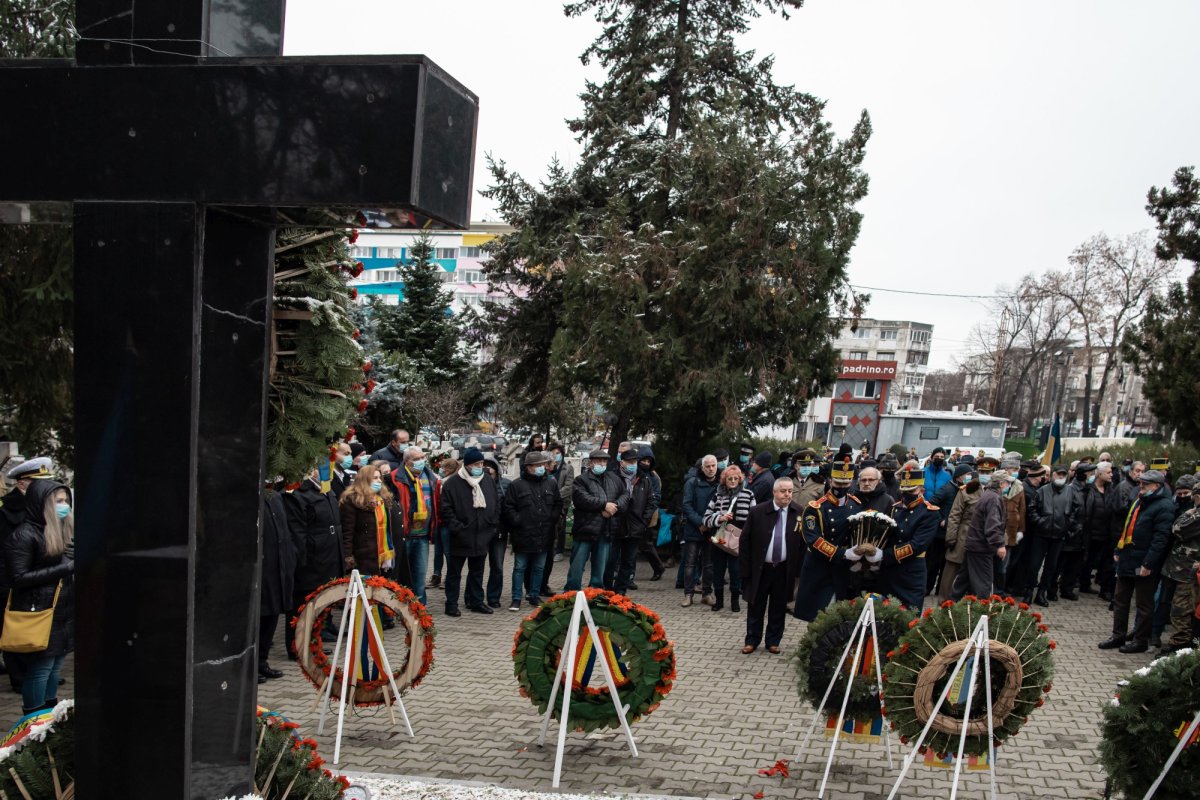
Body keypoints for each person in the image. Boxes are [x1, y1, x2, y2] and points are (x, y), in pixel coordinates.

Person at [5, 478, 74, 716]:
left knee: (55, 667)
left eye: (66, 501)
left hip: (60, 611)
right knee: (41, 668)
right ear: (41, 504)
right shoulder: (24, 535)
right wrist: (64, 568)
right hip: (38, 611)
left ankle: (50, 715)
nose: (63, 506)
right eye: (58, 501)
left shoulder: (59, 531)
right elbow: (18, 577)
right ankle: (33, 718)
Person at [1100, 469, 1175, 653]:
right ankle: (1118, 636)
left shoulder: (1164, 506)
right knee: (1120, 599)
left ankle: (1140, 640)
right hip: (1128, 557)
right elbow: (1128, 527)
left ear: (1157, 486)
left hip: (1144, 563)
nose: (1140, 486)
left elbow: (1161, 539)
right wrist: (1119, 549)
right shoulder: (1140, 500)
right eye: (1140, 483)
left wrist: (1148, 564)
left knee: (1143, 604)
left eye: (1145, 484)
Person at [0, 457, 54, 694]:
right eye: (37, 483)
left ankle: (35, 675)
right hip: (9, 578)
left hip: (35, 575)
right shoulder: (5, 509)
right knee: (14, 626)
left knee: (34, 625)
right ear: (22, 484)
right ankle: (20, 678)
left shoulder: (42, 507)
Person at [285, 465, 345, 655]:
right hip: (311, 560)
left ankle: (313, 642)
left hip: (329, 557)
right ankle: (297, 647)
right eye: (323, 467)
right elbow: (298, 532)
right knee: (302, 606)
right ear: (313, 470)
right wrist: (301, 560)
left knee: (321, 605)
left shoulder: (327, 490)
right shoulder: (300, 493)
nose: (328, 470)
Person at [794, 456, 862, 621]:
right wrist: (843, 554)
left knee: (839, 615)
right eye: (838, 483)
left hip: (843, 569)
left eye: (846, 484)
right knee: (817, 616)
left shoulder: (855, 504)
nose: (842, 487)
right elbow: (813, 540)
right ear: (830, 482)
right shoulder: (815, 508)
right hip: (820, 567)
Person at [739, 478, 803, 654]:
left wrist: (798, 570)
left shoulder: (799, 512)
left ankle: (773, 641)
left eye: (790, 491)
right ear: (774, 492)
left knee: (778, 607)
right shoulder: (757, 511)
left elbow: (803, 544)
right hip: (761, 568)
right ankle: (752, 640)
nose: (787, 494)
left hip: (783, 569)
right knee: (755, 606)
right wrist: (745, 569)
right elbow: (744, 541)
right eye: (783, 491)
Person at [440, 448, 501, 616]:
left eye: (481, 463)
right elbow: (446, 509)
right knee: (454, 573)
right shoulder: (452, 483)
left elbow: (496, 504)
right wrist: (457, 527)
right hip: (460, 535)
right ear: (466, 465)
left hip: (482, 534)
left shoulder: (487, 480)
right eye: (476, 464)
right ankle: (451, 604)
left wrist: (492, 526)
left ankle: (476, 601)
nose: (479, 467)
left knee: (477, 572)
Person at [502, 450, 561, 611]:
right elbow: (508, 507)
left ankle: (534, 595)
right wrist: (518, 521)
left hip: (544, 533)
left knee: (539, 567)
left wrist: (552, 518)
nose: (541, 468)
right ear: (528, 467)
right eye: (537, 465)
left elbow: (557, 503)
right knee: (520, 567)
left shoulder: (551, 483)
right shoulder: (517, 485)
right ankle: (516, 598)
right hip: (523, 534)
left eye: (542, 464)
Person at [565, 449, 628, 592]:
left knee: (600, 568)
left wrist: (614, 507)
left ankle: (595, 594)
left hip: (606, 530)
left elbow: (625, 495)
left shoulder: (614, 478)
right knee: (577, 566)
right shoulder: (581, 479)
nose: (602, 463)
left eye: (604, 461)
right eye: (599, 461)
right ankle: (571, 593)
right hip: (585, 529)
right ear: (591, 462)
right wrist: (603, 506)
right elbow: (582, 499)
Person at [260, 479, 302, 682]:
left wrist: (290, 555)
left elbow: (286, 530)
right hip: (263, 567)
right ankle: (251, 665)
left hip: (280, 565)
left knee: (273, 615)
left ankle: (262, 662)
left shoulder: (276, 497)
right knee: (260, 616)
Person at [339, 464, 410, 583]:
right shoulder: (351, 500)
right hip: (364, 554)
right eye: (375, 478)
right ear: (365, 480)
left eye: (379, 478)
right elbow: (347, 531)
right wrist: (348, 556)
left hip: (384, 553)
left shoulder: (383, 499)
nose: (379, 481)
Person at [881, 465, 940, 608]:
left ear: (921, 490)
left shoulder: (929, 513)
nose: (907, 495)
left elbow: (917, 545)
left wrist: (883, 555)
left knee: (908, 616)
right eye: (904, 491)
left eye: (912, 491)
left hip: (911, 572)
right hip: (889, 571)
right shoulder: (895, 508)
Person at [1024, 465, 1082, 607]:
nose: (1060, 477)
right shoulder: (1042, 491)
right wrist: (1040, 522)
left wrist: (1067, 526)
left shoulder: (1070, 492)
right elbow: (1032, 509)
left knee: (1051, 567)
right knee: (1034, 565)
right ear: (1052, 475)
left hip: (1058, 536)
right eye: (1058, 474)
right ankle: (1029, 591)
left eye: (1063, 474)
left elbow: (1076, 510)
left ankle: (1042, 593)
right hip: (1041, 534)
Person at [391, 447, 441, 607]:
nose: (421, 461)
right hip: (404, 536)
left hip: (423, 536)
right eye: (416, 459)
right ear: (406, 461)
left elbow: (436, 503)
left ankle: (420, 611)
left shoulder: (431, 477)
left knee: (420, 577)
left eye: (422, 457)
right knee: (401, 576)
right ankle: (399, 608)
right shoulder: (395, 478)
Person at [703, 464, 754, 613]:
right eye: (729, 478)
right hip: (720, 538)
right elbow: (706, 517)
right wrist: (719, 517)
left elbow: (754, 518)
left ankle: (734, 601)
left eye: (735, 478)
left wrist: (749, 537)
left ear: (740, 479)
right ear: (724, 480)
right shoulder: (718, 495)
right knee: (718, 570)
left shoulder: (748, 494)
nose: (732, 481)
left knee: (736, 571)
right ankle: (719, 601)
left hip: (739, 539)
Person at [952, 470, 1010, 599]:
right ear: (1001, 484)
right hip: (981, 548)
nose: (1008, 486)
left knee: (962, 582)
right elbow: (992, 525)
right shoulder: (994, 498)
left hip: (974, 544)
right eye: (1007, 483)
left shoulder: (988, 494)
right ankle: (980, 615)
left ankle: (950, 607)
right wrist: (1000, 544)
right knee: (983, 585)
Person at [605, 449, 655, 593]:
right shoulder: (612, 477)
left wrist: (643, 521)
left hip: (635, 527)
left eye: (635, 462)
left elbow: (651, 502)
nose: (633, 465)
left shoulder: (644, 479)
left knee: (628, 562)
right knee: (610, 561)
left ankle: (620, 593)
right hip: (615, 526)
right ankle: (607, 590)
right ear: (622, 462)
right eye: (630, 462)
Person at [1161, 481, 1200, 653]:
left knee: (1181, 609)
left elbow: (1177, 529)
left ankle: (1179, 647)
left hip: (1188, 570)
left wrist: (1190, 512)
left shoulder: (1197, 515)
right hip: (1184, 569)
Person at [926, 463, 971, 596]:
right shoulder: (947, 489)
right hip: (941, 533)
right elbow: (932, 503)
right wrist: (941, 519)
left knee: (946, 564)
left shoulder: (963, 490)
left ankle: (941, 589)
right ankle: (928, 587)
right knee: (934, 562)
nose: (969, 477)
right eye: (966, 475)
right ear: (959, 477)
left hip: (953, 532)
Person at [680, 455, 719, 606]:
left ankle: (707, 593)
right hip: (693, 528)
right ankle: (688, 594)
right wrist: (700, 523)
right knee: (690, 564)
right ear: (702, 468)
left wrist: (710, 523)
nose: (710, 469)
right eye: (707, 466)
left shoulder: (721, 484)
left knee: (709, 565)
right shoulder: (691, 483)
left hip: (712, 529)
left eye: (713, 465)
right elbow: (687, 505)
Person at [1079, 461, 1120, 600]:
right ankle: (1080, 581)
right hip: (1090, 531)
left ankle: (1088, 583)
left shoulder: (1111, 489)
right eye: (1108, 472)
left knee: (1097, 560)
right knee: (1085, 559)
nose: (1111, 475)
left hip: (1105, 531)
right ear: (1100, 473)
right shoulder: (1089, 489)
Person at [939, 467, 980, 601]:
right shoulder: (965, 491)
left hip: (980, 539)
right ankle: (944, 603)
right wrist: (951, 538)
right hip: (962, 536)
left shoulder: (992, 492)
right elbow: (954, 516)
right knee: (951, 571)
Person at [1057, 461, 1096, 600]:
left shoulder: (1089, 490)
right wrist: (1072, 529)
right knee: (1062, 562)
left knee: (1075, 564)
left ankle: (1067, 588)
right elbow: (1068, 511)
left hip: (1083, 535)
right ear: (1084, 475)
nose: (1093, 476)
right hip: (1071, 533)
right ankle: (1052, 587)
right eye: (1091, 473)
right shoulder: (1071, 489)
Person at [481, 455, 511, 608]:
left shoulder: (505, 484)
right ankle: (475, 597)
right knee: (477, 566)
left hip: (499, 531)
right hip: (481, 532)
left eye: (490, 466)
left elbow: (510, 507)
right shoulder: (476, 482)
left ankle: (493, 597)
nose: (487, 469)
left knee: (497, 566)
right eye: (483, 466)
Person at [633, 445, 666, 586]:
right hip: (634, 514)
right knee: (636, 544)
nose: (646, 463)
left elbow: (656, 497)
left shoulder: (654, 477)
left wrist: (646, 515)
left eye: (648, 461)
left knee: (645, 544)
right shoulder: (634, 473)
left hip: (648, 515)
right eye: (643, 460)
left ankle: (658, 567)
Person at [428, 457, 459, 590]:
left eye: (444, 468)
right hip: (439, 521)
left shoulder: (451, 483)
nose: (442, 470)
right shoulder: (441, 482)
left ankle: (448, 577)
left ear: (450, 469)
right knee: (438, 551)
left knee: (446, 551)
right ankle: (437, 575)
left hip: (445, 522)